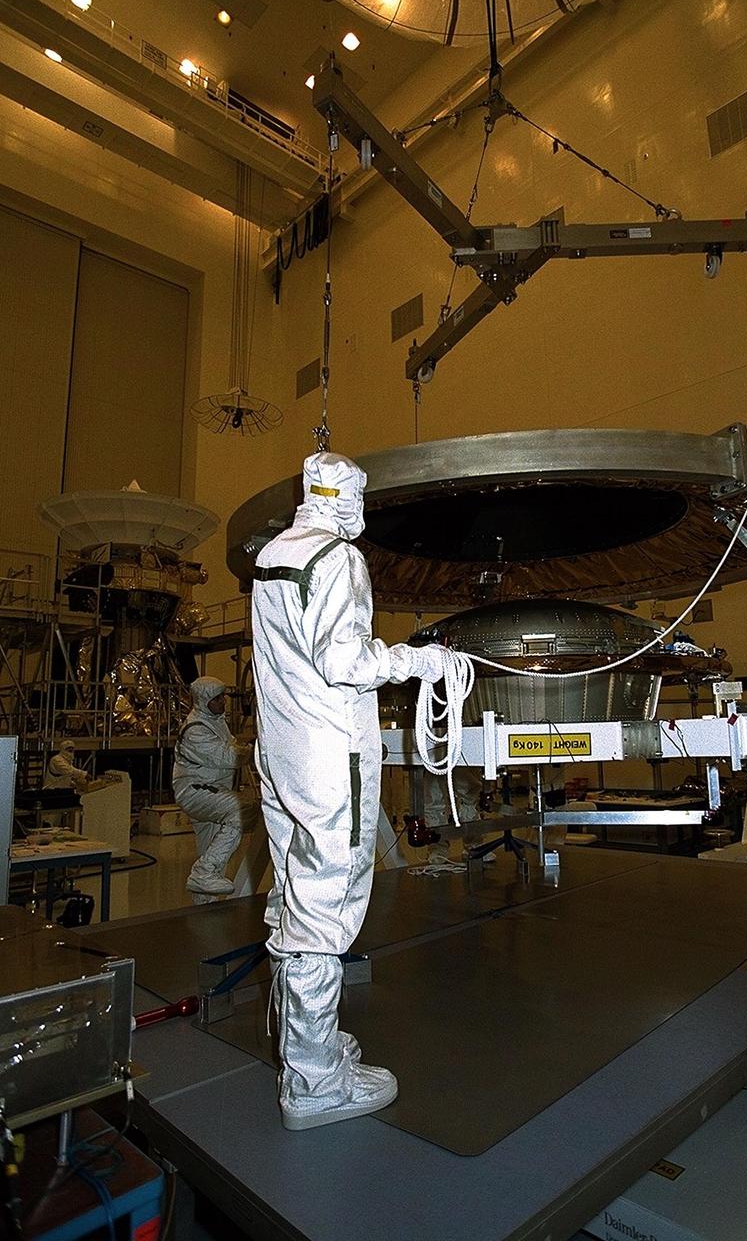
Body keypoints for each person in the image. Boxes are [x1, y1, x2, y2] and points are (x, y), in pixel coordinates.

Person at [252, 451, 446, 1130]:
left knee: (291, 895)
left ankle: (304, 1045)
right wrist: (420, 659)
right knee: (324, 909)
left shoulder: (275, 552)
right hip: (332, 757)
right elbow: (344, 661)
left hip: (282, 751)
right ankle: (313, 1084)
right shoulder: (337, 557)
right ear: (347, 500)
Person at [172, 676, 258, 900]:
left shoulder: (216, 721)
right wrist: (259, 750)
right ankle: (204, 871)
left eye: (223, 697)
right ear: (203, 700)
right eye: (217, 698)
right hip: (196, 792)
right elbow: (228, 756)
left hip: (211, 791)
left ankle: (204, 909)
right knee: (240, 810)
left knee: (211, 852)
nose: (224, 702)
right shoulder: (195, 729)